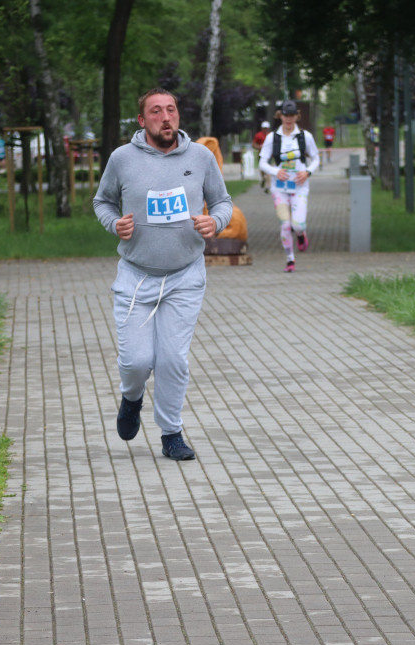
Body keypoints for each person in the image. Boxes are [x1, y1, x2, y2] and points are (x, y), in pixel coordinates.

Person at [93, 87, 233, 461]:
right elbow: (103, 201)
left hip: (185, 275)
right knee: (136, 361)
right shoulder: (122, 159)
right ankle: (131, 397)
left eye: (171, 110)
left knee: (173, 359)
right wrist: (114, 224)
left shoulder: (201, 157)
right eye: (156, 111)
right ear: (142, 121)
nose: (166, 117)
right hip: (136, 276)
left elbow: (222, 201)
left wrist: (215, 221)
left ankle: (171, 433)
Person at [258, 100, 320, 273]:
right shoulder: (273, 138)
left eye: (292, 115)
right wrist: (275, 171)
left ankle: (301, 234)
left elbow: (316, 159)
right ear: (281, 116)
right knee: (285, 224)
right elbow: (262, 162)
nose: (289, 119)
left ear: (296, 116)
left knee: (298, 224)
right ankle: (290, 259)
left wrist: (307, 172)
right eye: (286, 115)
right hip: (279, 188)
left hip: (300, 187)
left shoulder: (304, 136)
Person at [253, 121, 270, 191]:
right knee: (262, 169)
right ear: (262, 128)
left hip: (269, 155)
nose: (265, 130)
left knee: (268, 170)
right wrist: (259, 147)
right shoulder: (258, 135)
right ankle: (263, 178)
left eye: (266, 128)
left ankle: (267, 186)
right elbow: (254, 144)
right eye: (264, 128)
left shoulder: (270, 135)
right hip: (261, 154)